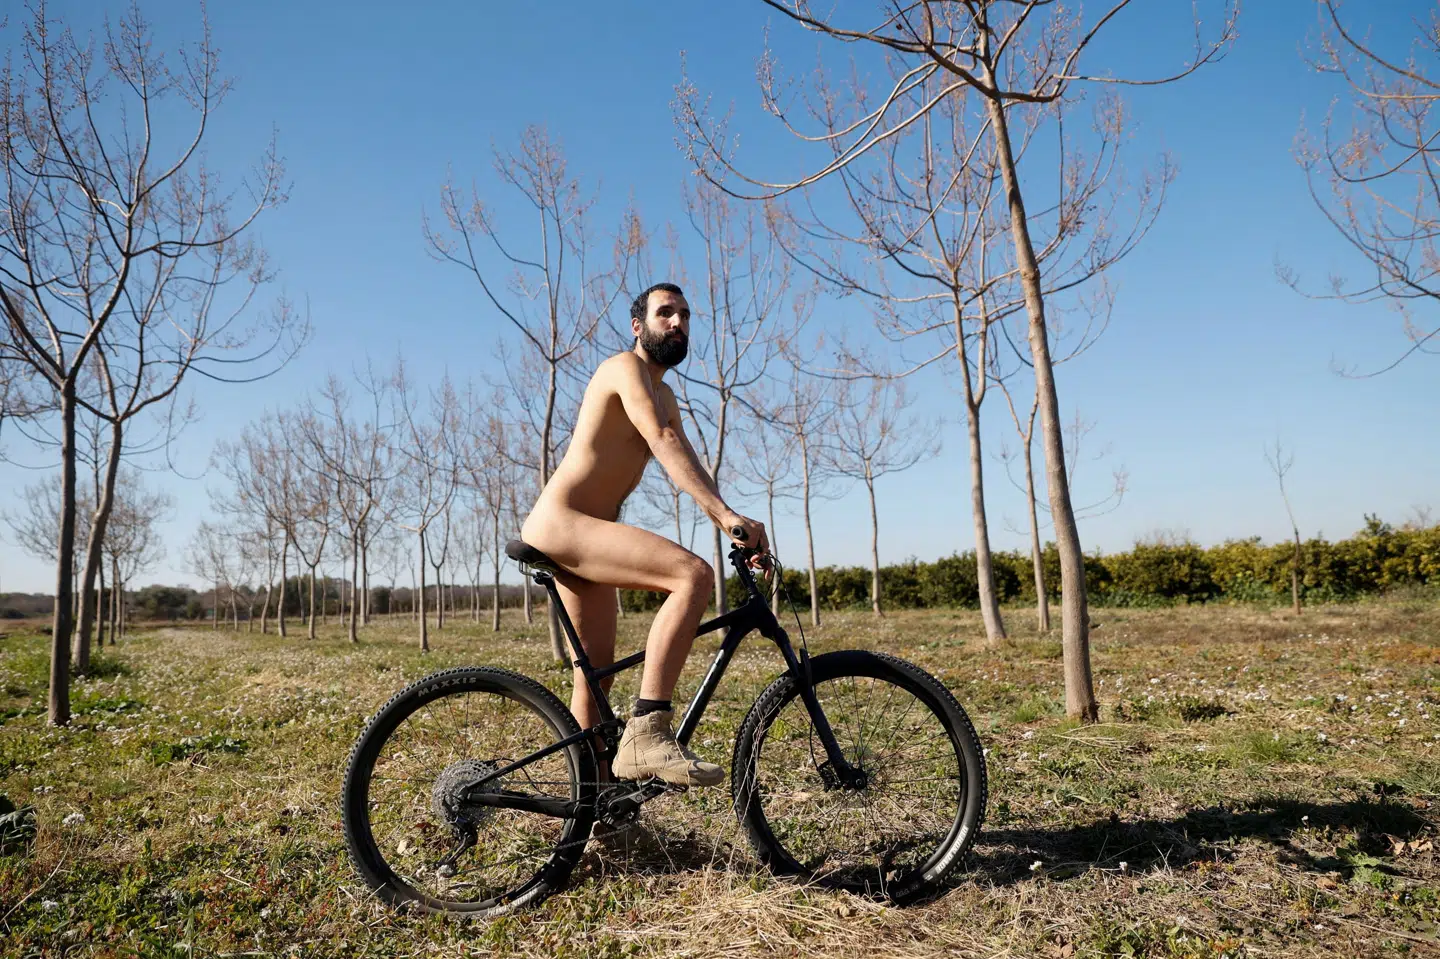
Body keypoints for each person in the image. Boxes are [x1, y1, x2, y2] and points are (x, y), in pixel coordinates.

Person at [518, 282, 769, 787]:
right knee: (692, 575)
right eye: (665, 313)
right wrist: (724, 516)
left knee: (595, 680)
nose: (677, 322)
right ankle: (648, 734)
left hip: (585, 534)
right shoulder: (623, 369)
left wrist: (729, 518)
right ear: (639, 326)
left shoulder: (666, 394)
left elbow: (686, 460)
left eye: (685, 314)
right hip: (564, 523)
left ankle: (592, 810)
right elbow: (663, 439)